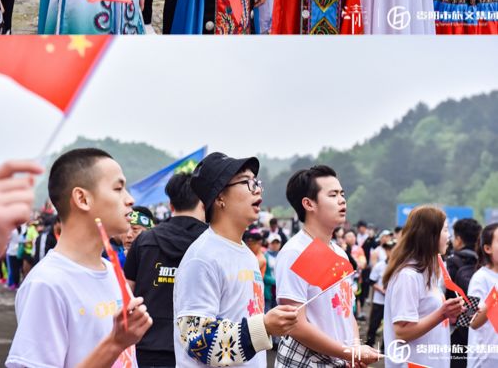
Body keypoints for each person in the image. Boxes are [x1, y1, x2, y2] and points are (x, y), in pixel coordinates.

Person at [6, 147, 153, 368]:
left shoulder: (110, 270)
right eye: (118, 188)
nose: (130, 200)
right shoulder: (46, 284)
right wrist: (114, 344)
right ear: (82, 198)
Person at [174, 152, 298, 368]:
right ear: (220, 197)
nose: (257, 189)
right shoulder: (201, 258)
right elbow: (197, 341)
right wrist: (265, 326)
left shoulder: (248, 255)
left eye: (257, 183)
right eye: (247, 183)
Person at [274, 164, 377, 368]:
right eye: (333, 195)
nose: (342, 200)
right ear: (309, 204)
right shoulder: (294, 252)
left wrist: (354, 349)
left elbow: (347, 312)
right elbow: (296, 325)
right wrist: (350, 352)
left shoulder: (339, 253)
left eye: (342, 194)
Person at [125, 172, 207, 368]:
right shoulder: (210, 244)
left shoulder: (144, 241)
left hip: (146, 346)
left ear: (170, 206)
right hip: (197, 348)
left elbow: (126, 295)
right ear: (203, 203)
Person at [383, 206, 466, 368]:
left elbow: (427, 317)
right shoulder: (408, 276)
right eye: (445, 230)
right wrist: (442, 314)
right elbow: (402, 332)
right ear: (430, 236)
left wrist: (452, 315)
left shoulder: (429, 273)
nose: (449, 236)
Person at [446, 218, 482, 368]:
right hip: (480, 325)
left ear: (459, 240)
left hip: (456, 330)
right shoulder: (483, 263)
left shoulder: (452, 262)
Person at [0, 160, 43, 260]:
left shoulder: (23, 227)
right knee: (13, 274)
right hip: (11, 253)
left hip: (18, 253)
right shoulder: (13, 227)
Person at [468, 224, 498, 368]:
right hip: (485, 361)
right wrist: (495, 295)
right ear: (488, 249)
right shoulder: (479, 278)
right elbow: (471, 320)